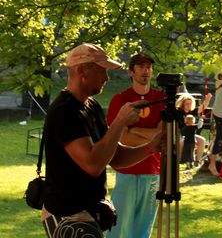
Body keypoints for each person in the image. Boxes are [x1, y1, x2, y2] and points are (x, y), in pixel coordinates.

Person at [42, 43, 163, 238]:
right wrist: (120, 122)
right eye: (102, 71)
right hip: (68, 215)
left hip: (87, 213)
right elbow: (93, 164)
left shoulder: (91, 106)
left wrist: (150, 147)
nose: (107, 78)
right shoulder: (65, 111)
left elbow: (114, 155)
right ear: (82, 70)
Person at [106, 52, 164, 238]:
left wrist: (134, 130)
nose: (145, 71)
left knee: (143, 230)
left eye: (148, 67)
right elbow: (122, 138)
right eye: (140, 67)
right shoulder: (121, 100)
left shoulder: (162, 99)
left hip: (153, 172)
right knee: (118, 227)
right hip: (127, 172)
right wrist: (150, 137)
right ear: (131, 72)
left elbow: (162, 136)